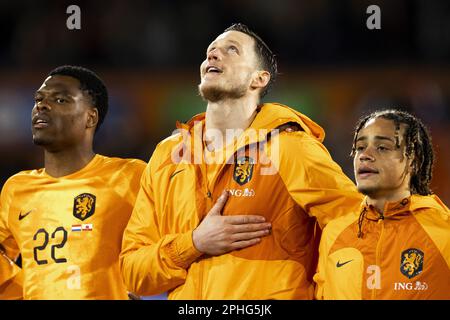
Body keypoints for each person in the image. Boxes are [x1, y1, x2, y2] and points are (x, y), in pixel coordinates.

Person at [120, 23, 362, 300]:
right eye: (210, 52)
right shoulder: (167, 156)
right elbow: (133, 272)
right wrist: (195, 242)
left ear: (258, 79)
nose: (213, 55)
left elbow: (356, 230)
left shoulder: (290, 148)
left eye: (231, 50)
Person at [0, 65, 146, 299]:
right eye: (39, 99)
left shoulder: (131, 176)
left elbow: (168, 243)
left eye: (60, 100)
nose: (41, 105)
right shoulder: (16, 188)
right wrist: (30, 289)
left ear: (90, 117)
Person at [314, 109, 450, 299]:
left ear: (413, 160)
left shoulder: (444, 231)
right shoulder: (334, 233)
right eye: (360, 147)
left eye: (382, 148)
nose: (364, 155)